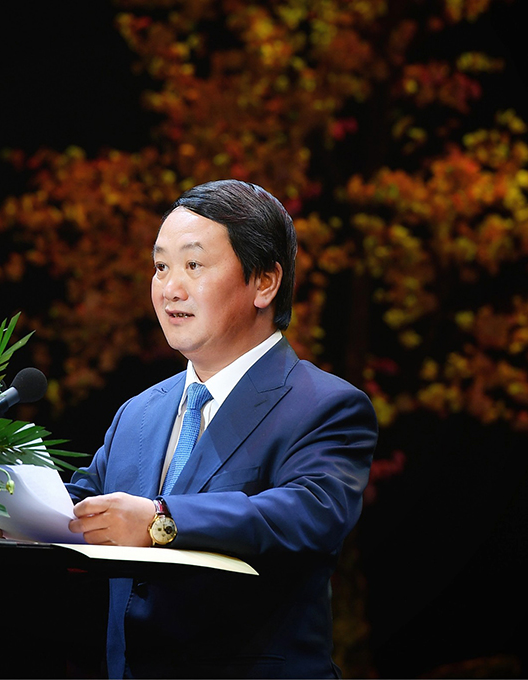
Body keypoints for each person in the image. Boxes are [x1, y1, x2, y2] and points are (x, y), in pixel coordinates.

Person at [66, 179, 377, 678]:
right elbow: (77, 508)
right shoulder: (139, 412)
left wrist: (160, 521)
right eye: (161, 266)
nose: (170, 288)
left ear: (264, 283)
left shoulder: (326, 405)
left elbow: (305, 514)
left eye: (193, 265)